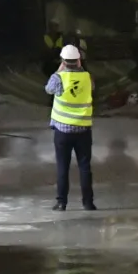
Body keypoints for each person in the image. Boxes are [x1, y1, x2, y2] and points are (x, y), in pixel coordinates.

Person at [45, 44, 95, 212]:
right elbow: (92, 88)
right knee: (84, 167)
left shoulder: (58, 78)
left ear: (63, 61)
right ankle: (88, 203)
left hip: (63, 132)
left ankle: (61, 203)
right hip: (83, 130)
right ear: (79, 60)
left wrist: (60, 70)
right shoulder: (87, 77)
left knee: (62, 167)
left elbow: (48, 89)